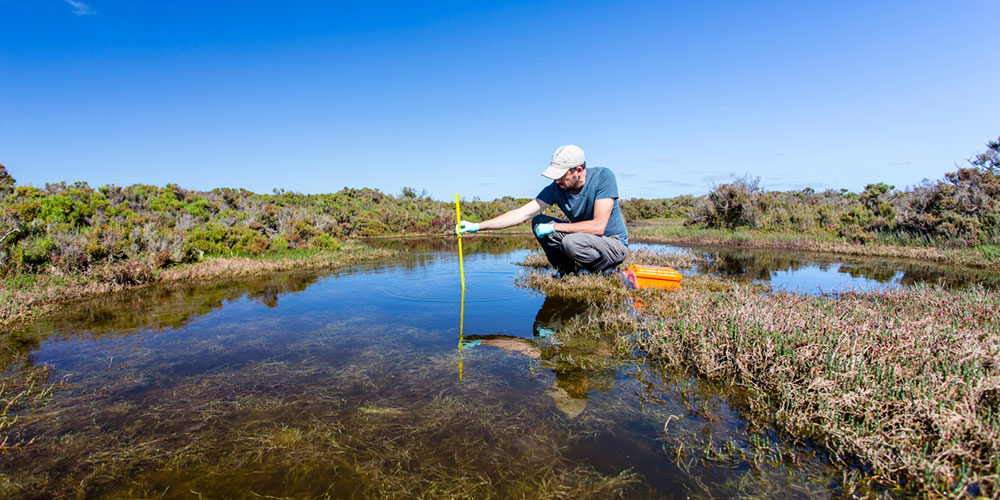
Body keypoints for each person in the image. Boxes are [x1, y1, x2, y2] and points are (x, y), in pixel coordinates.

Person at [457, 145, 628, 274]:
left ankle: (606, 273)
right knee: (539, 221)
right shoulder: (556, 188)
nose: (557, 180)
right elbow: (520, 214)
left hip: (612, 243)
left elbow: (598, 227)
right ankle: (567, 273)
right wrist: (478, 226)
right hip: (583, 239)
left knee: (571, 241)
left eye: (561, 175)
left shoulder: (603, 177)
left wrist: (555, 227)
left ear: (578, 170)